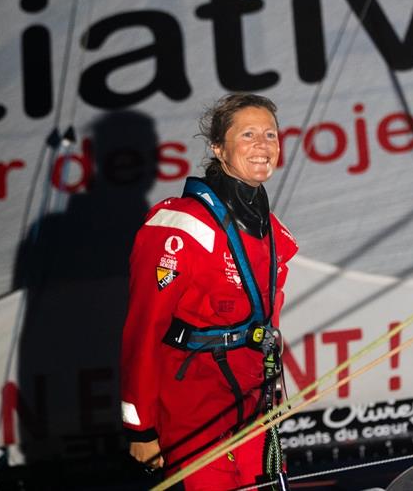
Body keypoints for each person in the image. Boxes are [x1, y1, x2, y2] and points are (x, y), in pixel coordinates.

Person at [120, 93, 298, 489]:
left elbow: (268, 322)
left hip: (253, 406)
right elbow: (143, 329)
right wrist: (140, 428)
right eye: (248, 133)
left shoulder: (276, 234)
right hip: (192, 411)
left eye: (270, 134)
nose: (263, 144)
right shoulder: (177, 228)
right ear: (218, 148)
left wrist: (275, 391)